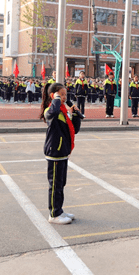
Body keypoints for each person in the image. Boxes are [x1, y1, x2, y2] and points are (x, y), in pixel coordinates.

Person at [40, 82, 82, 225]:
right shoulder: (50, 110)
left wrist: (75, 114)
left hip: (63, 152)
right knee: (55, 184)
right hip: (55, 152)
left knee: (61, 183)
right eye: (61, 95)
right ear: (53, 96)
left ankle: (59, 210)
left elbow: (74, 130)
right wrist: (56, 100)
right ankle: (54, 214)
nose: (64, 98)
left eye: (65, 95)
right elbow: (51, 112)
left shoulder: (63, 112)